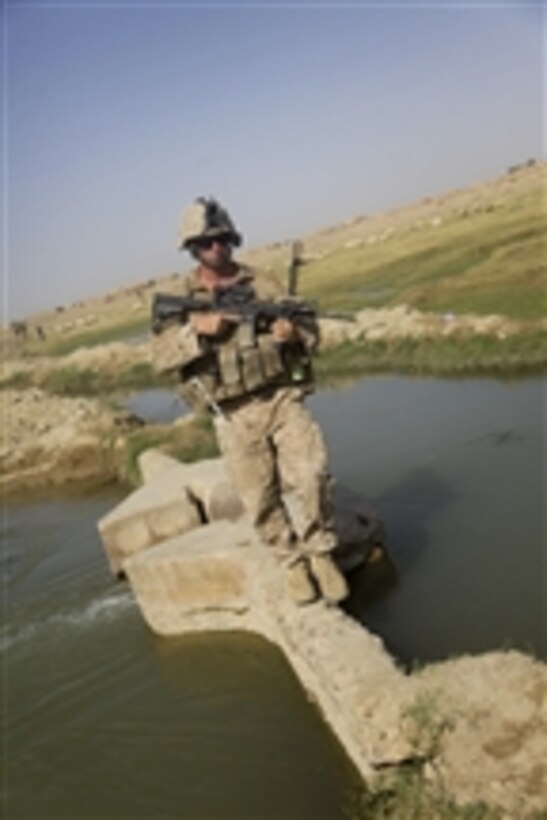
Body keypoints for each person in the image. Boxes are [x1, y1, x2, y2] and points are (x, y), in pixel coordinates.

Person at [156, 196, 348, 606]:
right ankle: (291, 562)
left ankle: (320, 553)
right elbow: (159, 356)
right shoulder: (178, 296)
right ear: (192, 248)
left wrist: (294, 334)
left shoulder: (263, 283)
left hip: (280, 395)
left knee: (312, 472)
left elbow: (311, 331)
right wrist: (198, 332)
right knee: (258, 496)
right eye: (207, 243)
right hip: (231, 411)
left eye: (223, 239)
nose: (217, 248)